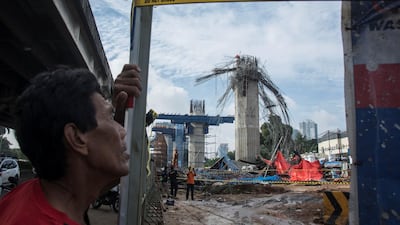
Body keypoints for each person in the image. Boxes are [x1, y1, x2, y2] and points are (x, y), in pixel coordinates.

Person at [0, 64, 142, 225]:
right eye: (109, 117)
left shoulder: (35, 197)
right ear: (76, 137)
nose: (122, 132)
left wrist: (121, 112)